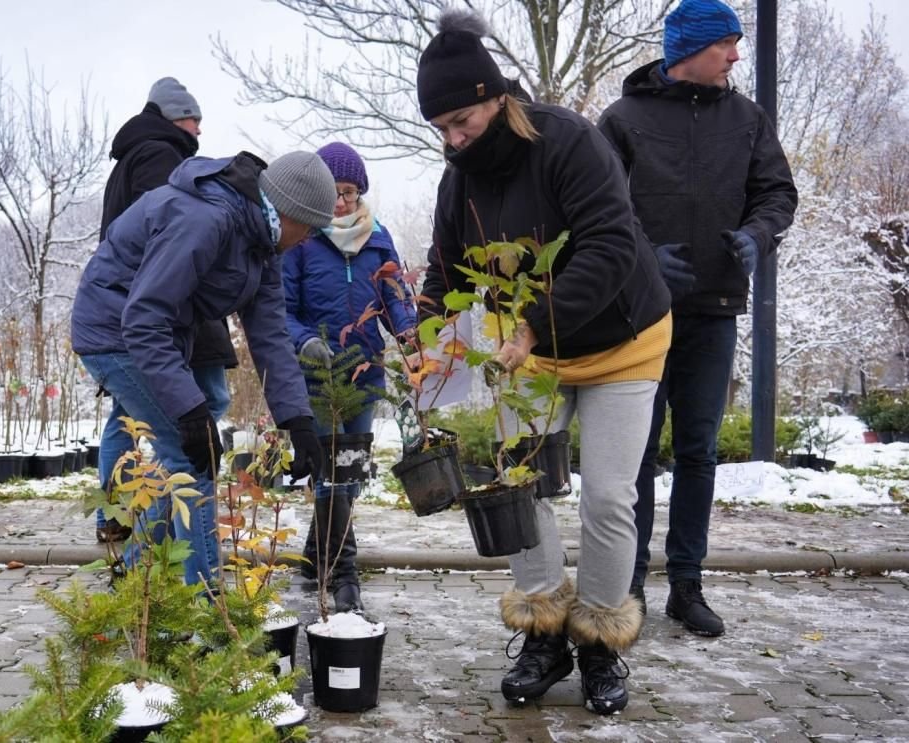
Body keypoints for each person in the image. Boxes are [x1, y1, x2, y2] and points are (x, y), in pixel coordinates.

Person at [414, 9, 672, 715]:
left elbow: (613, 249)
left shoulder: (568, 143)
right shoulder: (457, 183)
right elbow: (444, 271)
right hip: (533, 350)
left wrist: (528, 323)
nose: (453, 138)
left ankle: (598, 640)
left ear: (497, 97)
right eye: (441, 128)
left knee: (609, 497)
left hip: (624, 338)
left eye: (462, 120)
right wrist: (426, 341)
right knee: (513, 481)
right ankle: (544, 628)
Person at [598, 0, 798, 638]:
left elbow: (777, 192)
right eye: (728, 46)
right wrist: (644, 258)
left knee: (699, 453)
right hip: (638, 315)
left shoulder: (747, 118)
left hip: (713, 311)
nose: (737, 57)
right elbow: (596, 208)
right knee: (633, 455)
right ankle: (625, 586)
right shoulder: (622, 119)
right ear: (692, 48)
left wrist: (757, 236)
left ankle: (687, 585)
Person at [71, 150, 336, 587]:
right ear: (285, 210)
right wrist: (189, 410)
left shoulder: (263, 244)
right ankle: (209, 609)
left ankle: (136, 581)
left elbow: (269, 333)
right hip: (114, 332)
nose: (307, 238)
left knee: (184, 460)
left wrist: (298, 419)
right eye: (307, 227)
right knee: (196, 460)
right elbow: (144, 318)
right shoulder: (205, 220)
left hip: (152, 335)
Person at [94, 77, 239, 544]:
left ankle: (118, 517)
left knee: (129, 413)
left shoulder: (134, 155)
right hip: (162, 305)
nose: (199, 132)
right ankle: (159, 524)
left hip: (130, 303)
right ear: (180, 118)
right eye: (195, 121)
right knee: (194, 413)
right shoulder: (161, 153)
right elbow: (174, 232)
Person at [282, 142, 416, 613]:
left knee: (349, 473)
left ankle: (315, 556)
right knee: (330, 474)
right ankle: (345, 574)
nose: (342, 202)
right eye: (334, 192)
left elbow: (394, 297)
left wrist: (409, 332)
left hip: (363, 373)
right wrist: (304, 342)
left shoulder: (378, 238)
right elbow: (282, 308)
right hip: (316, 376)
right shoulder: (300, 239)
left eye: (350, 192)